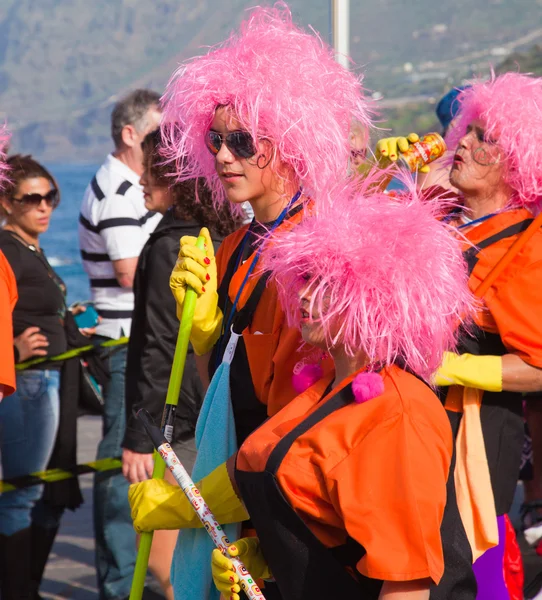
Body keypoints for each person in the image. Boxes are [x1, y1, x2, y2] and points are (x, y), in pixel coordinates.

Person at [130, 173, 475, 600]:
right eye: (306, 276)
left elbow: (405, 582)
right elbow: (282, 487)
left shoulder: (397, 412)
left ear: (375, 295)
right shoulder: (325, 388)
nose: (304, 295)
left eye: (328, 282)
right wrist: (265, 558)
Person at [431, 72, 542, 599]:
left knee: (453, 573)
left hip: (475, 431)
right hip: (420, 425)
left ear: (517, 162)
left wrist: (455, 367)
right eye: (467, 131)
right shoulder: (440, 221)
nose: (464, 144)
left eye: (485, 139)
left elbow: (540, 364)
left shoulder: (525, 245)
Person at [121, 129, 243, 599]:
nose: (140, 181)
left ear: (174, 175)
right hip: (205, 411)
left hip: (176, 423)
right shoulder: (217, 234)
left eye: (149, 168)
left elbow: (157, 345)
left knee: (167, 564)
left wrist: (139, 436)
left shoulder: (174, 243)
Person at [78, 88, 162, 600]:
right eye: (156, 130)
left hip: (130, 337)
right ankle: (117, 582)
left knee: (133, 461)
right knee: (120, 463)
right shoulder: (116, 191)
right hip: (123, 340)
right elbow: (131, 273)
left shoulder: (131, 187)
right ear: (130, 134)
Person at [0, 155, 72, 598]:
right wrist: (12, 348)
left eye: (51, 197)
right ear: (7, 202)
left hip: (44, 380)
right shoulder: (7, 250)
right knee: (22, 495)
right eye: (32, 199)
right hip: (28, 383)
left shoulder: (28, 245)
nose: (44, 207)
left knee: (30, 494)